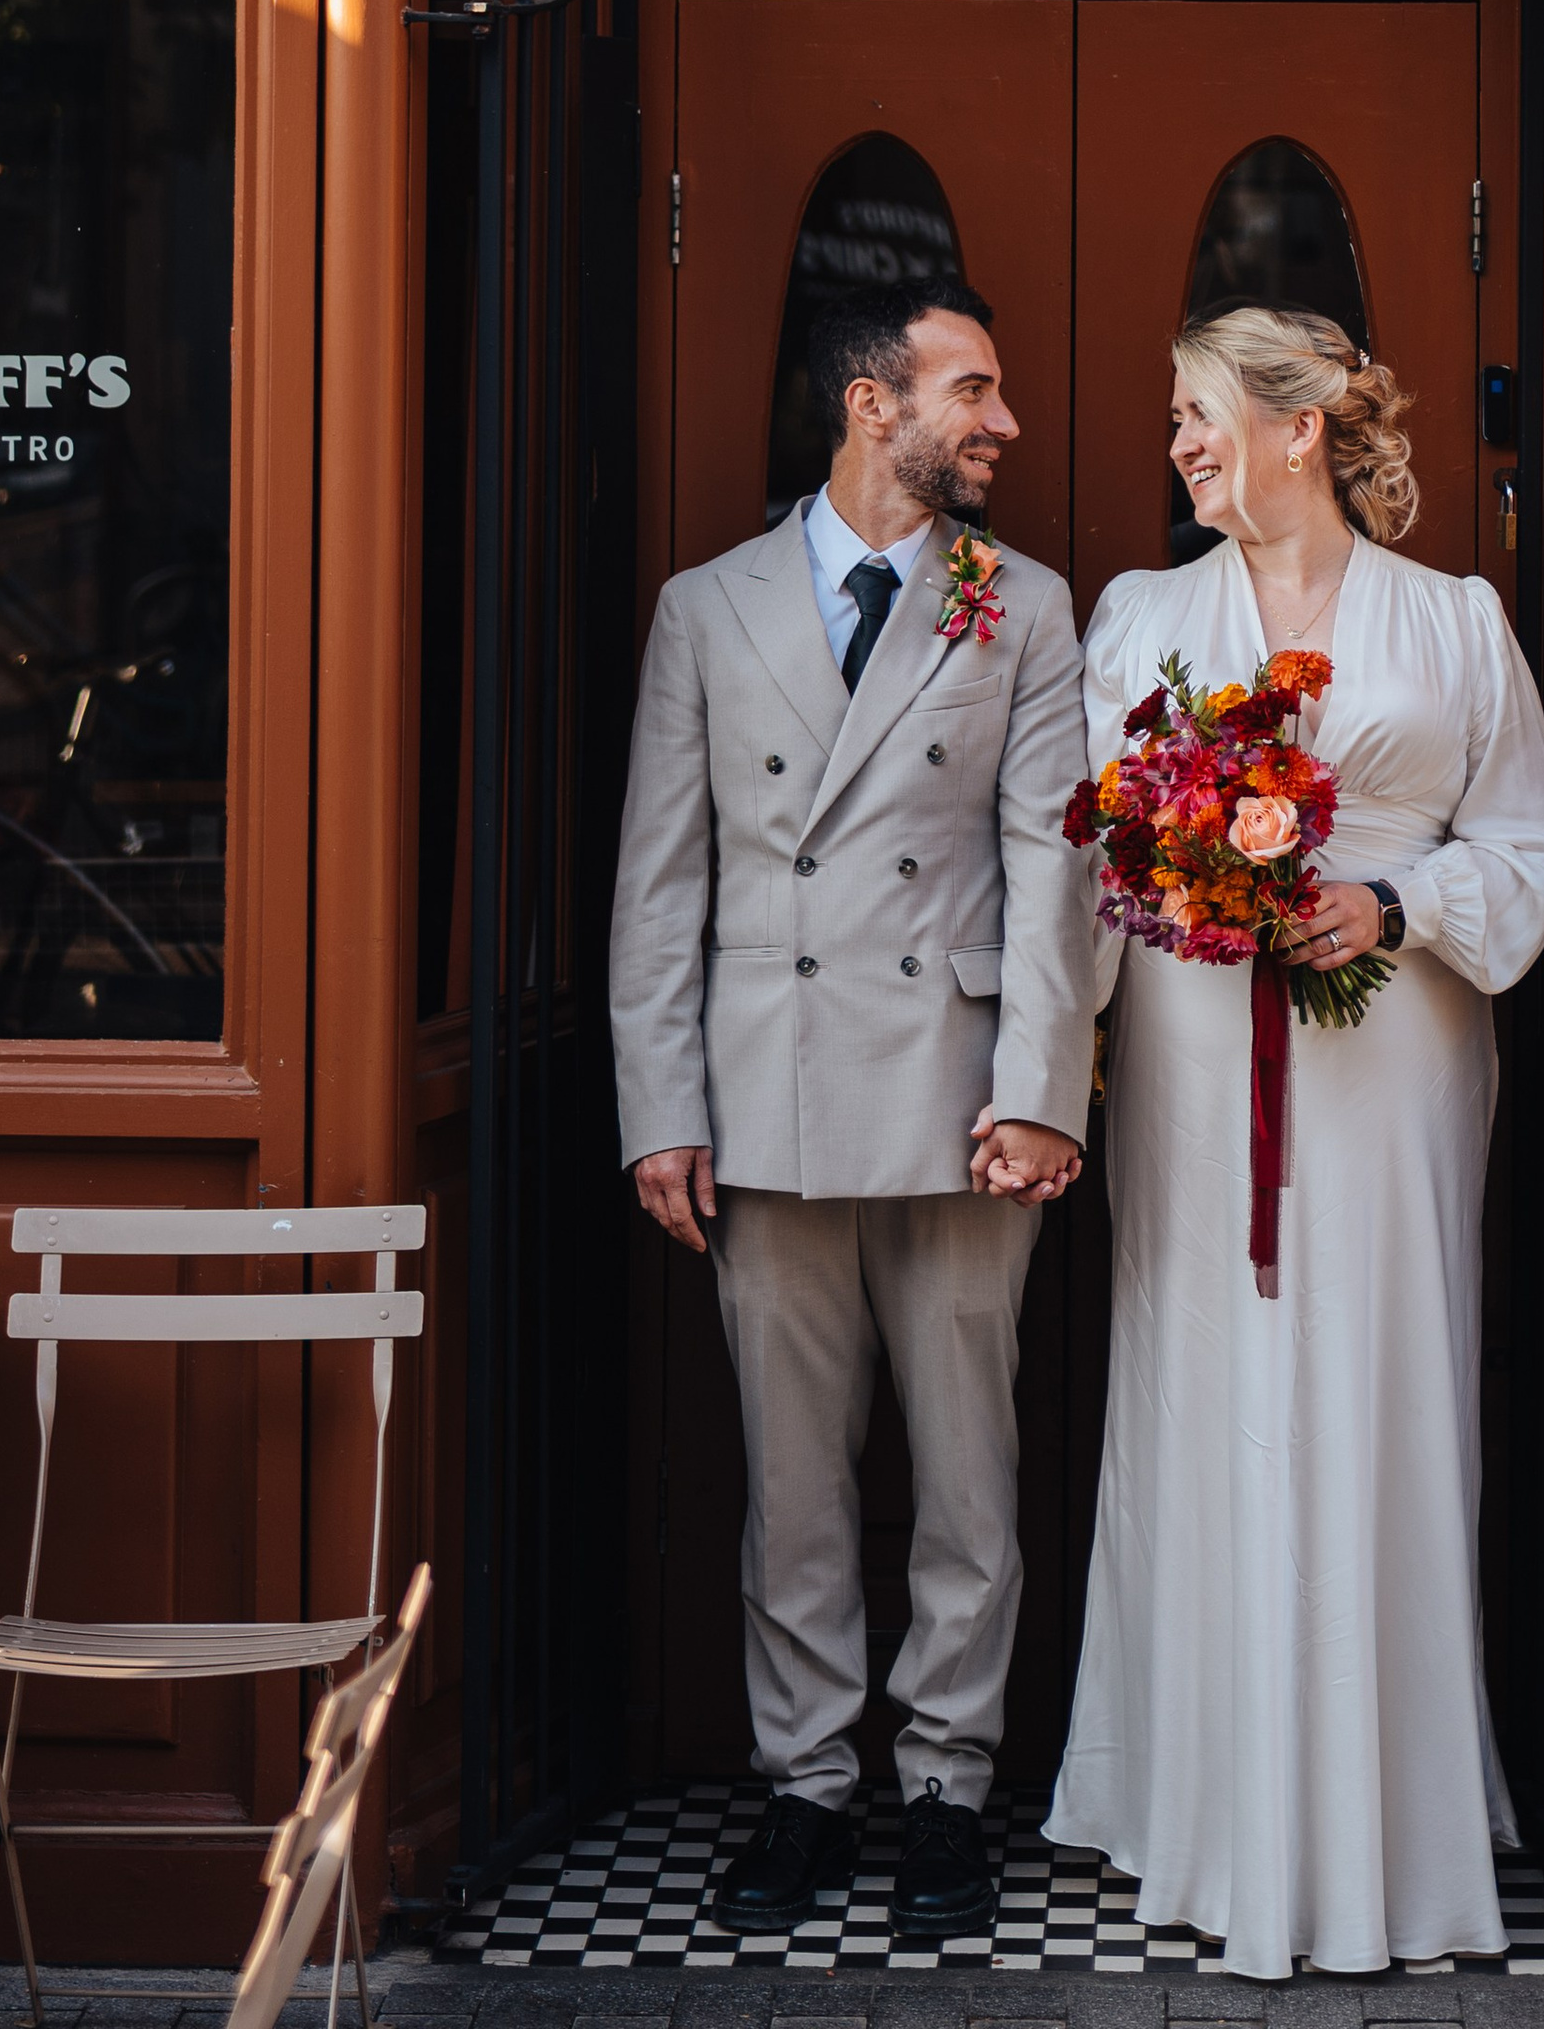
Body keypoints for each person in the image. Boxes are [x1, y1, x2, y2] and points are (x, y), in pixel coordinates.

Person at [1036, 302, 1544, 1980]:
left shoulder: (1455, 622)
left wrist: (1397, 899)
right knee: (1202, 1392)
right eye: (1176, 416)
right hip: (1196, 1068)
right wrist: (1059, 1067)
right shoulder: (1138, 620)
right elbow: (1078, 874)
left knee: (1380, 1386)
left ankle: (1385, 1823)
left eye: (1200, 411)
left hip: (1394, 1061)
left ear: (1300, 425)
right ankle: (1205, 1811)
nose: (1180, 443)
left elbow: (1535, 845)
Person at [610, 276, 1095, 1942]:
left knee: (970, 1471)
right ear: (871, 404)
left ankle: (949, 1786)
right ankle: (807, 1782)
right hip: (768, 1098)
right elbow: (658, 882)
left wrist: (1043, 1091)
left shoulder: (1023, 602)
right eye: (975, 387)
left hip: (960, 1099)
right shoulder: (708, 607)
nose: (1005, 422)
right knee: (791, 1477)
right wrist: (659, 1107)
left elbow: (1055, 867)